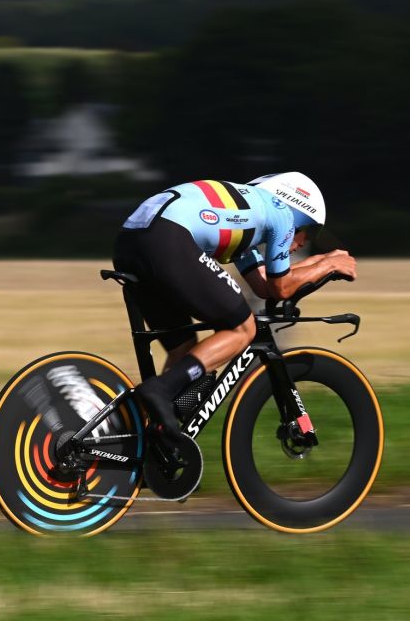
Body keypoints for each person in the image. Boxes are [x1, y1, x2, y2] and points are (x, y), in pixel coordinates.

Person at [112, 171, 356, 440]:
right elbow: (282, 289)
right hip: (168, 239)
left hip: (131, 242)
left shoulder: (246, 219)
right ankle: (159, 390)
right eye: (309, 230)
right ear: (299, 213)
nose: (305, 241)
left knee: (185, 349)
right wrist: (328, 265)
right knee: (243, 328)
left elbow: (264, 285)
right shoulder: (282, 214)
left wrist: (320, 262)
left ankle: (149, 437)